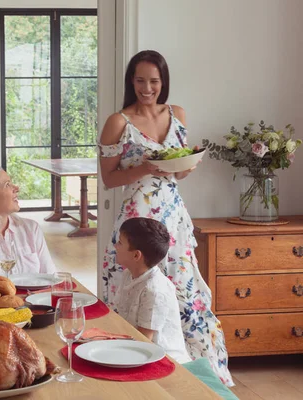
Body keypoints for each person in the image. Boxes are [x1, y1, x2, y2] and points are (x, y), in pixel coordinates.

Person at [98, 50, 233, 385]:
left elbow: (179, 173)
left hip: (173, 217)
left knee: (186, 294)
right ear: (132, 80)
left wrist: (188, 165)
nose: (147, 87)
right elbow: (109, 179)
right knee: (133, 294)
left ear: (163, 82)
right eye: (141, 80)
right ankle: (128, 372)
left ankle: (202, 376)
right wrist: (144, 168)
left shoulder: (178, 113)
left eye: (154, 81)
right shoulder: (118, 121)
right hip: (137, 218)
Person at [114, 218, 191, 364]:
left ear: (136, 255)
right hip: (134, 346)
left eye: (120, 242)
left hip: (164, 360)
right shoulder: (128, 274)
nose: (115, 245)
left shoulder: (153, 290)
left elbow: (145, 340)